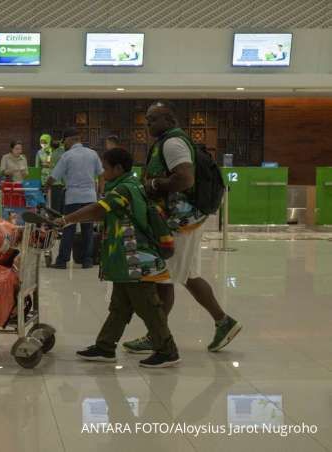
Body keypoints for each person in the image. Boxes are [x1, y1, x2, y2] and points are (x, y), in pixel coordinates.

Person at [122, 101, 242, 354]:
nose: (148, 123)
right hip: (184, 219)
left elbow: (185, 178)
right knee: (187, 275)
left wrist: (153, 186)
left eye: (153, 119)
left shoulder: (173, 143)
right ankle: (224, 322)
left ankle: (158, 336)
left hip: (182, 221)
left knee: (164, 277)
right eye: (147, 118)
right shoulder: (167, 141)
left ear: (169, 120)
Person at [60, 148, 180, 368]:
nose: (102, 172)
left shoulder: (125, 189)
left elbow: (99, 210)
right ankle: (105, 347)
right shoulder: (130, 185)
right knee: (120, 307)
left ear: (118, 168)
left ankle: (168, 350)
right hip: (127, 261)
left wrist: (67, 219)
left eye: (105, 168)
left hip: (136, 260)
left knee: (148, 307)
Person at [45, 128, 103, 269]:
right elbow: (102, 175)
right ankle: (87, 261)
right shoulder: (93, 154)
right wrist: (100, 194)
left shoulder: (67, 156)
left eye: (65, 142)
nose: (64, 145)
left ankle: (62, 261)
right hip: (90, 197)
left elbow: (53, 177)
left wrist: (45, 187)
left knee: (68, 229)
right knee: (88, 230)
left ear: (71, 140)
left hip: (73, 198)